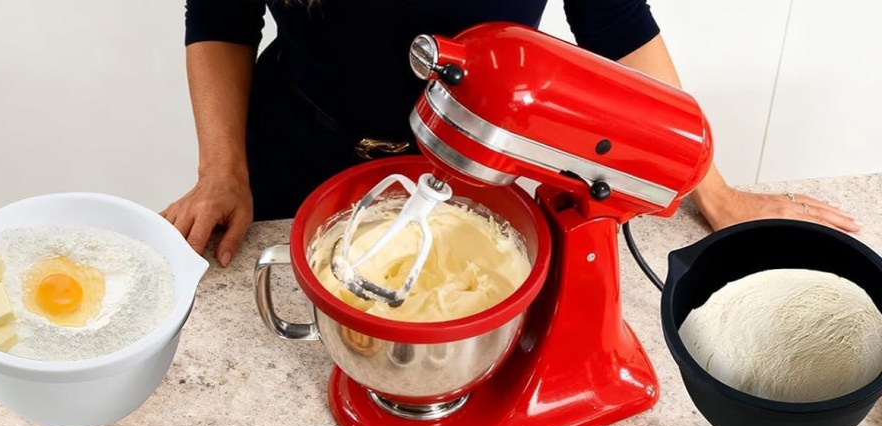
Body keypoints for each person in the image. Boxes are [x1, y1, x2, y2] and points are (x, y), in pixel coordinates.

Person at [163, 0, 860, 268]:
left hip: (478, 167)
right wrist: (221, 172)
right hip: (290, 162)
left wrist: (713, 189)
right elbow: (222, 17)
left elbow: (617, 27)